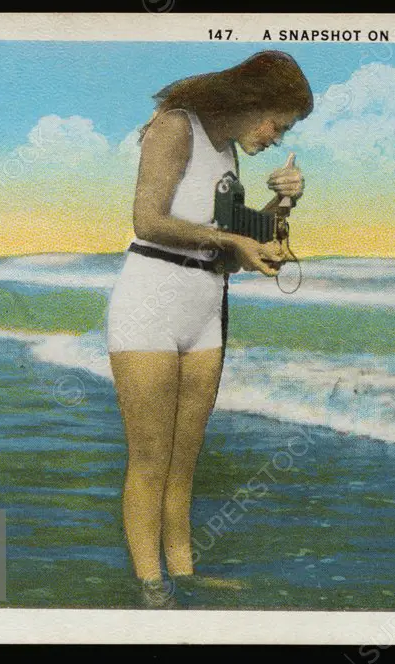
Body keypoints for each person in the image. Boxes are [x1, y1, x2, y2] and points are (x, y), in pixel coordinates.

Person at [105, 50, 313, 607]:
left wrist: (284, 201)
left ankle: (185, 571)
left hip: (204, 306)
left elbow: (239, 240)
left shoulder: (227, 152)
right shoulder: (176, 127)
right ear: (251, 101)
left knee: (186, 458)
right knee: (150, 457)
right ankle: (152, 586)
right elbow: (148, 221)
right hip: (150, 302)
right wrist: (233, 243)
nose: (274, 138)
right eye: (277, 124)